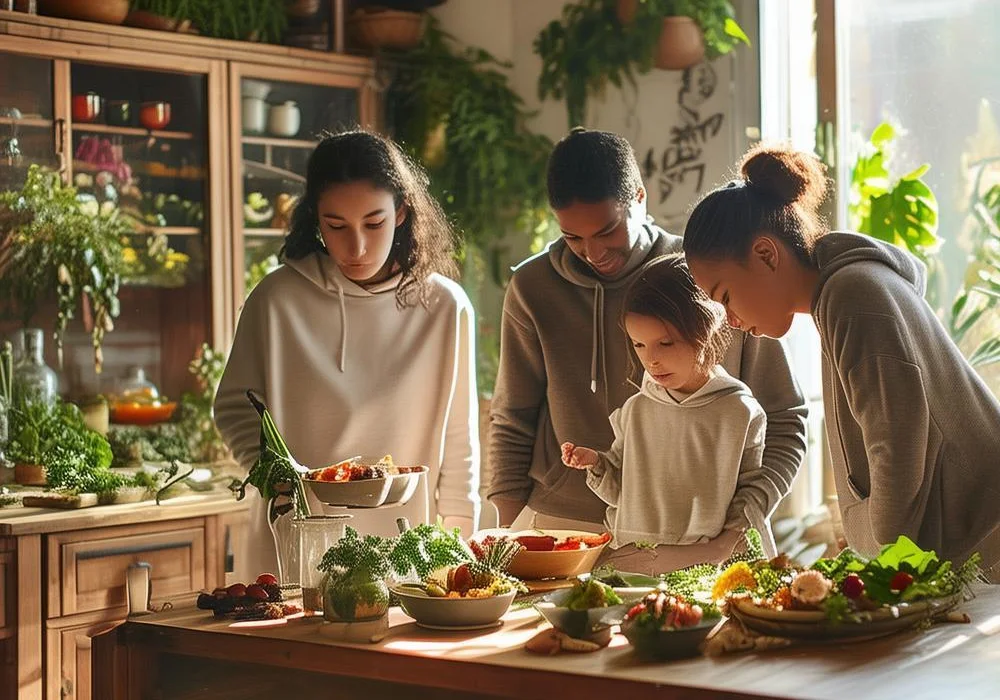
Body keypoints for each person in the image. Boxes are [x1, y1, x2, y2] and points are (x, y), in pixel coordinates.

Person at [682, 143, 1000, 581]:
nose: (732, 321)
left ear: (766, 255)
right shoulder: (842, 291)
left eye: (726, 297)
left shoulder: (852, 296)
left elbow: (896, 447)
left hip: (985, 548)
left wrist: (879, 562)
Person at [487, 127, 808, 541]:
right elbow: (512, 417)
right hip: (558, 524)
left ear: (640, 197)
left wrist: (742, 518)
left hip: (694, 536)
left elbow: (786, 417)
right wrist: (508, 532)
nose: (594, 253)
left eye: (607, 232)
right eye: (573, 238)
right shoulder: (533, 287)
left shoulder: (706, 273)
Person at [215, 130, 480, 581]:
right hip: (294, 544)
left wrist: (456, 554)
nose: (356, 247)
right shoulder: (277, 299)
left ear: (401, 212)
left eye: (373, 223)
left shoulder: (444, 307)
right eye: (336, 226)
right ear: (315, 220)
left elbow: (460, 447)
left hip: (406, 557)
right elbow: (234, 408)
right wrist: (276, 478)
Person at [560, 255, 776, 574]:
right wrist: (595, 463)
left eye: (665, 343)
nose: (652, 360)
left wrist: (718, 553)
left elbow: (749, 500)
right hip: (638, 568)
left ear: (706, 331)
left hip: (708, 570)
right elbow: (621, 493)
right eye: (639, 345)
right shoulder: (635, 411)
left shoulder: (739, 411)